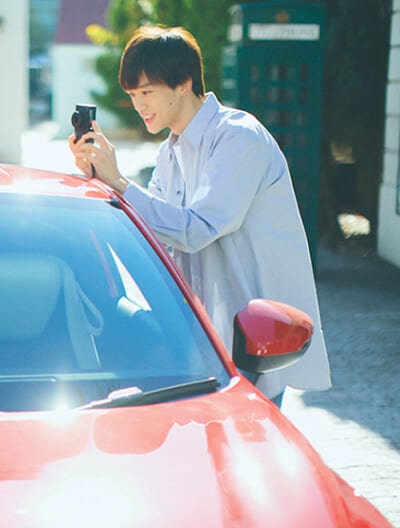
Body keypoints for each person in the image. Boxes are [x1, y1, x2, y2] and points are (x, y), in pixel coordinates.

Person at [69, 25, 330, 406]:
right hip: (198, 348)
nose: (138, 105)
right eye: (132, 95)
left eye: (146, 92)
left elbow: (198, 229)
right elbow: (153, 234)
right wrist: (100, 178)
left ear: (183, 84)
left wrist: (121, 182)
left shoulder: (238, 136)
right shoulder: (169, 153)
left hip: (254, 347)